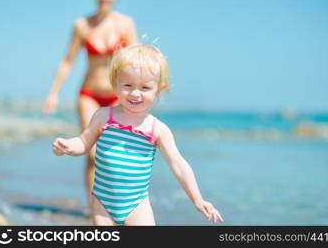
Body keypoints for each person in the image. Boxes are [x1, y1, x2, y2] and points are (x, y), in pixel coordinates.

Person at [52, 44, 224, 225]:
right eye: (128, 85)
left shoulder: (157, 129)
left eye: (144, 88)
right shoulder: (103, 116)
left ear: (158, 89)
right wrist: (68, 146)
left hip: (136, 204)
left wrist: (197, 199)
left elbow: (178, 164)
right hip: (103, 201)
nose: (135, 93)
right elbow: (84, 142)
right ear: (115, 84)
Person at [42, 0, 137, 208]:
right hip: (89, 95)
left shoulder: (125, 24)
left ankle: (117, 206)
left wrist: (145, 91)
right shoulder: (82, 25)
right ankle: (96, 209)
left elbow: (137, 60)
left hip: (118, 97)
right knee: (93, 152)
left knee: (115, 155)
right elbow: (68, 60)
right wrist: (53, 93)